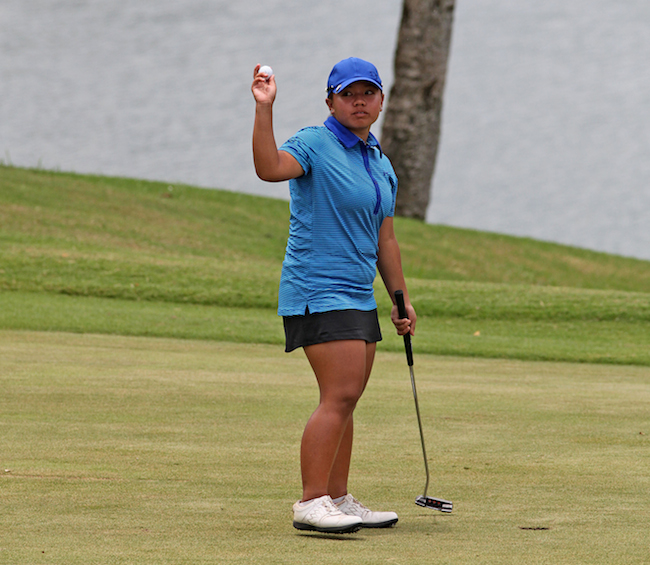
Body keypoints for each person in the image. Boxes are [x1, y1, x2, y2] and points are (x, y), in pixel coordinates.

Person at [251, 57, 417, 534]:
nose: (359, 101)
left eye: (368, 93)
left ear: (382, 100)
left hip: (358, 293)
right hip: (317, 288)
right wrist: (265, 109)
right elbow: (269, 168)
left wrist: (400, 296)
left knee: (347, 399)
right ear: (331, 101)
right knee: (339, 394)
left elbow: (386, 238)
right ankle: (311, 502)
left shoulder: (379, 162)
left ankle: (339, 498)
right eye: (348, 94)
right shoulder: (315, 143)